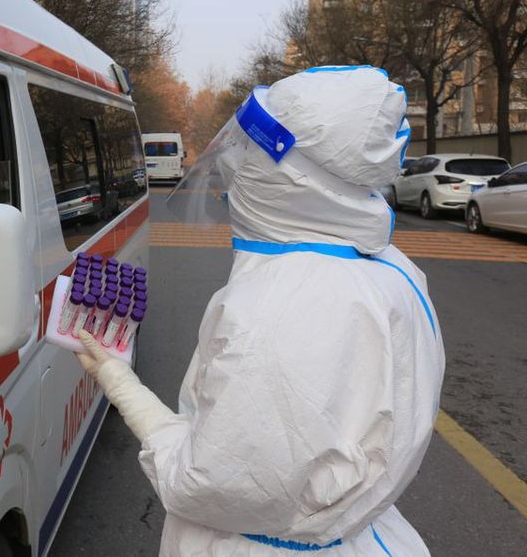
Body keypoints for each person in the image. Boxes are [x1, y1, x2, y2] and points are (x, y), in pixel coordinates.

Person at [77, 66, 445, 555]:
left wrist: (122, 387)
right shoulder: (385, 267)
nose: (232, 165)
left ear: (291, 175)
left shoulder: (284, 305)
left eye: (248, 150)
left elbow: (214, 484)